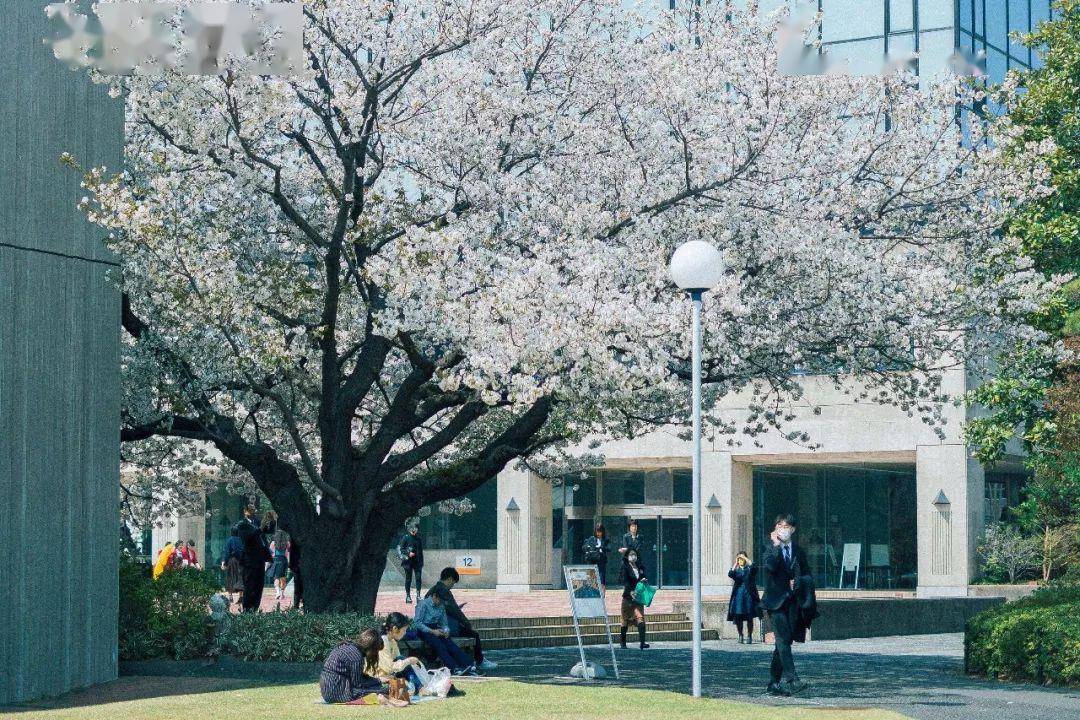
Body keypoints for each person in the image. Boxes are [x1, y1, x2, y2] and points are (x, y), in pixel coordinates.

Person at [761, 514, 809, 696]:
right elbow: (771, 566)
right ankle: (792, 679)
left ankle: (773, 682)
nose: (783, 529)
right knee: (782, 639)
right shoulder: (769, 547)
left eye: (787, 526)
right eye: (780, 525)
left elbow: (807, 574)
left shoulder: (798, 551)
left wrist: (798, 581)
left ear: (793, 529)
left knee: (785, 641)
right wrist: (775, 545)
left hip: (792, 602)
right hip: (774, 603)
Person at [426, 567, 497, 671]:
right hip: (445, 627)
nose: (452, 586)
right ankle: (480, 661)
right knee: (474, 634)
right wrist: (466, 623)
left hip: (432, 626)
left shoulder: (432, 590)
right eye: (453, 583)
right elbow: (454, 611)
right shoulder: (444, 591)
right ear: (450, 579)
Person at [320, 628, 407, 707]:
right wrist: (378, 681)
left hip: (330, 689)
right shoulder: (356, 656)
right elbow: (358, 684)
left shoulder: (351, 647)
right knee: (382, 690)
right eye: (376, 651)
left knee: (376, 687)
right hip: (336, 691)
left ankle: (384, 696)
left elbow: (358, 678)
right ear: (372, 648)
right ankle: (386, 697)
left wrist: (377, 680)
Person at [412, 590, 477, 675]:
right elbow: (417, 623)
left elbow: (444, 623)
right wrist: (432, 631)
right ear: (434, 596)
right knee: (439, 645)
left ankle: (468, 664)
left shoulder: (441, 606)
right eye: (440, 600)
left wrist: (446, 631)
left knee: (449, 643)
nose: (441, 603)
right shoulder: (423, 604)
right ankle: (453, 668)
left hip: (436, 628)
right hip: (424, 630)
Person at [378, 612, 428, 694]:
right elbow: (390, 667)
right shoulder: (383, 641)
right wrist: (409, 661)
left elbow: (398, 660)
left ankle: (419, 687)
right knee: (403, 660)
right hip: (379, 677)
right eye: (404, 630)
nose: (405, 633)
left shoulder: (392, 641)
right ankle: (419, 688)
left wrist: (408, 662)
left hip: (389, 674)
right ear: (395, 629)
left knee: (402, 660)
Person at [235, 504, 272, 612]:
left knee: (259, 585)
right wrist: (261, 527)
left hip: (260, 558)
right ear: (245, 511)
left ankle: (255, 607)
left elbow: (268, 531)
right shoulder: (242, 524)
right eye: (251, 510)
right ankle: (247, 608)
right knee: (250, 585)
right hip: (249, 560)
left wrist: (272, 521)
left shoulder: (257, 522)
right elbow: (249, 537)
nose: (253, 512)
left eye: (254, 509)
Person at [727, 550, 761, 644]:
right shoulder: (736, 571)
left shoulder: (749, 569)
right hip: (738, 596)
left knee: (749, 617)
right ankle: (740, 635)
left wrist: (745, 558)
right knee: (738, 616)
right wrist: (735, 562)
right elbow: (730, 574)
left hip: (748, 595)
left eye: (742, 558)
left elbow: (754, 567)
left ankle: (749, 636)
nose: (741, 560)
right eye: (739, 558)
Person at [618, 549, 650, 650]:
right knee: (625, 620)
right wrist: (630, 591)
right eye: (631, 555)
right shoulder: (625, 567)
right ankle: (623, 642)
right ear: (627, 556)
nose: (633, 556)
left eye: (635, 554)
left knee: (640, 618)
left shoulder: (640, 567)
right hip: (628, 597)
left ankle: (642, 642)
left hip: (638, 597)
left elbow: (643, 576)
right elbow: (624, 580)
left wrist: (644, 580)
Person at [398, 525, 424, 604]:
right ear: (409, 530)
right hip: (408, 562)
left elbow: (420, 551)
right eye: (412, 529)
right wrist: (408, 553)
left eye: (415, 529)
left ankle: (418, 596)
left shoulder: (418, 539)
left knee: (418, 578)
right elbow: (401, 549)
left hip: (417, 562)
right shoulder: (405, 538)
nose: (414, 530)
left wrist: (421, 562)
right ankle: (408, 596)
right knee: (408, 579)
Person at [220, 527, 244, 606]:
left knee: (230, 577)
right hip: (241, 562)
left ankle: (230, 596)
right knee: (240, 578)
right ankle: (241, 597)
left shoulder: (230, 540)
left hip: (232, 561)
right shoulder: (241, 540)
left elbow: (227, 552)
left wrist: (224, 562)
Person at [270, 530, 289, 601]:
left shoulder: (273, 543)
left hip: (275, 560)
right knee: (283, 577)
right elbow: (287, 554)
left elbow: (271, 553)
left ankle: (277, 592)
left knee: (276, 577)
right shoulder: (287, 543)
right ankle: (282, 594)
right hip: (283, 560)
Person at [288, 536, 303, 610]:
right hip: (298, 564)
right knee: (298, 587)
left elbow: (292, 550)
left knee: (297, 587)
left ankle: (296, 605)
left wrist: (291, 565)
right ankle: (297, 605)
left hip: (297, 564)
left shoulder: (294, 536)